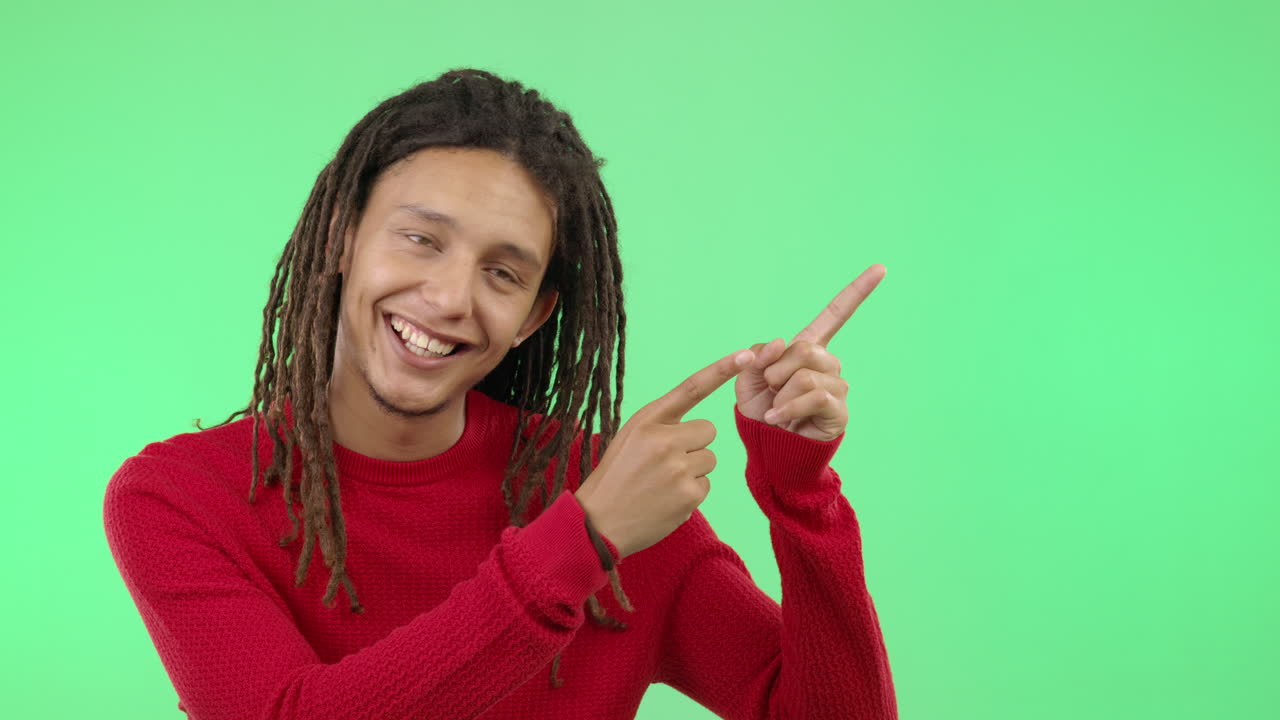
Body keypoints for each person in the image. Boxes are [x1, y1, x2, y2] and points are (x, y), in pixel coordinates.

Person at [102, 67, 897, 720]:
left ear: (533, 317)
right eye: (421, 238)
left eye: (502, 273)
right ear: (344, 236)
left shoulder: (613, 491)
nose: (451, 298)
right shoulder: (180, 498)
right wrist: (581, 542)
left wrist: (801, 496)